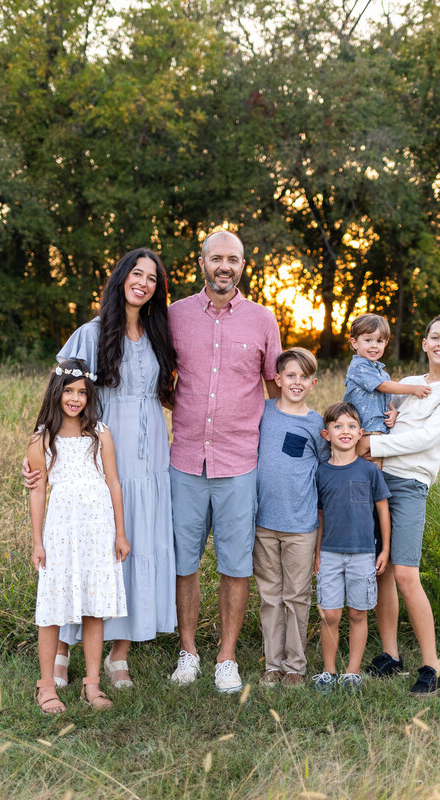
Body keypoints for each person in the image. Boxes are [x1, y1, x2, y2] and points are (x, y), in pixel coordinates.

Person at [22, 248, 178, 690]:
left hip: (148, 460)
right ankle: (64, 651)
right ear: (120, 278)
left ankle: (118, 654)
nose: (143, 282)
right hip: (100, 452)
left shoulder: (156, 333)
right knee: (86, 551)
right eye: (136, 273)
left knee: (135, 545)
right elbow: (60, 393)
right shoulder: (91, 333)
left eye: (152, 278)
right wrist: (37, 453)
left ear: (157, 289)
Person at [167, 229, 283, 693]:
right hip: (185, 461)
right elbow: (155, 374)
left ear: (242, 266)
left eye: (232, 259)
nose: (224, 267)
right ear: (201, 263)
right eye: (216, 258)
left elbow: (280, 387)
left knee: (236, 566)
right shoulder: (174, 316)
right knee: (185, 562)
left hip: (239, 463)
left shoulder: (262, 320)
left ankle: (227, 657)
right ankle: (188, 652)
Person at [358, 314, 440, 697]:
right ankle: (390, 655)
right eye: (434, 336)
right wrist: (384, 420)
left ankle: (432, 666)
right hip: (376, 478)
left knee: (406, 573)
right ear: (424, 344)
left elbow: (426, 438)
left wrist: (372, 446)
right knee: (381, 570)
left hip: (408, 483)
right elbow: (381, 414)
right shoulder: (406, 384)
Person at [27, 358, 131, 713]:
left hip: (97, 530)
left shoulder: (99, 433)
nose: (75, 399)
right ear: (57, 393)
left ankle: (92, 683)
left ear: (90, 396)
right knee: (52, 607)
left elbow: (113, 482)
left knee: (94, 607)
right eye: (68, 391)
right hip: (60, 532)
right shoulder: (43, 439)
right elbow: (37, 490)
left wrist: (120, 533)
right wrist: (37, 540)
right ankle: (45, 686)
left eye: (81, 392)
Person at [252, 347, 326, 687]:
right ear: (278, 379)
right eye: (290, 376)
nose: (296, 382)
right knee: (270, 595)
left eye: (303, 377)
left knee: (297, 595)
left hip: (300, 526)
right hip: (263, 522)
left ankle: (295, 666)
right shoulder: (262, 412)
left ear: (313, 383)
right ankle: (272, 664)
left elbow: (326, 474)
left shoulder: (316, 424)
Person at [311, 402, 391, 693]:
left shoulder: (369, 471)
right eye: (338, 426)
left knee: (358, 613)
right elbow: (320, 516)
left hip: (363, 553)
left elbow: (382, 510)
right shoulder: (321, 472)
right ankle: (328, 672)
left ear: (360, 434)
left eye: (351, 426)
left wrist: (384, 550)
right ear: (326, 434)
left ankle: (352, 672)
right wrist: (318, 553)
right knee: (329, 615)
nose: (345, 431)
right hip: (331, 552)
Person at [342, 313, 431, 467]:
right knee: (354, 470)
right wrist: (412, 389)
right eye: (368, 340)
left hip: (378, 431)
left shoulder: (382, 373)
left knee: (375, 473)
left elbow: (385, 395)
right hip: (360, 430)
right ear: (354, 342)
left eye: (380, 341)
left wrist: (393, 411)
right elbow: (383, 386)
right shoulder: (359, 367)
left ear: (385, 343)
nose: (374, 345)